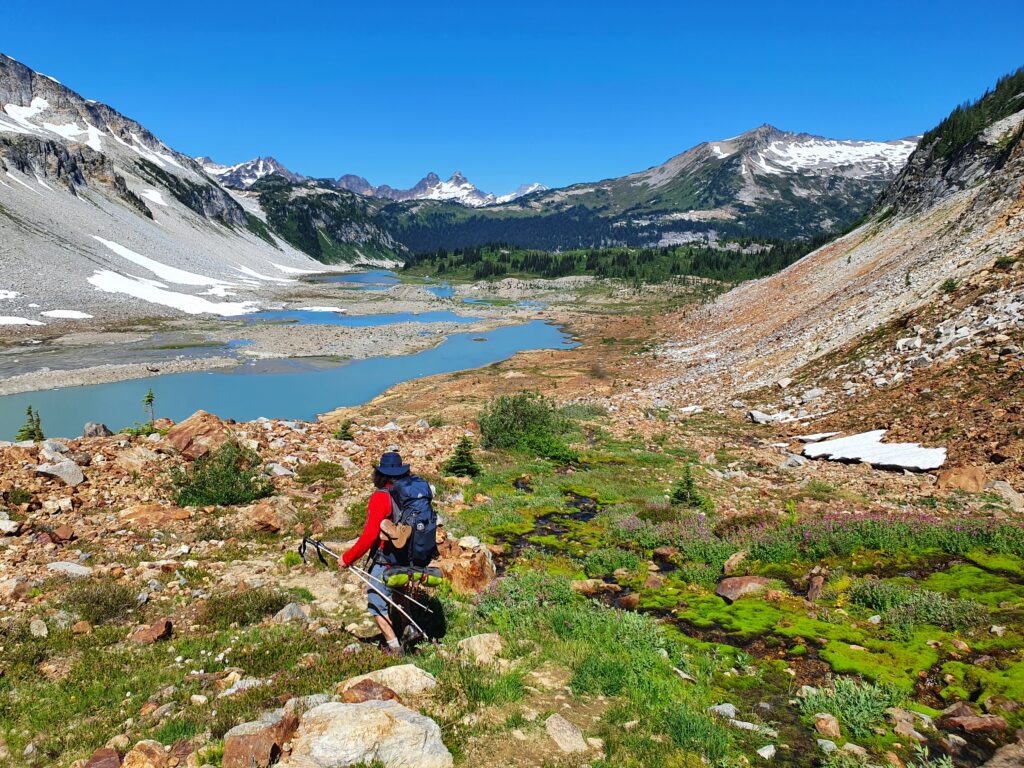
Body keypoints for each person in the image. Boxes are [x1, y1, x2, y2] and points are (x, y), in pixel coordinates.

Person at [337, 451, 411, 655]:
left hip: (386, 559)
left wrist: (348, 557)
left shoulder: (381, 497)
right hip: (407, 557)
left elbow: (369, 535)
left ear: (380, 474)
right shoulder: (408, 496)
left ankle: (395, 648)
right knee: (399, 595)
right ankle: (411, 632)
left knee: (377, 602)